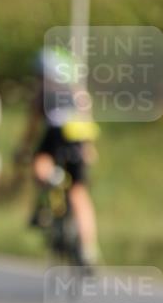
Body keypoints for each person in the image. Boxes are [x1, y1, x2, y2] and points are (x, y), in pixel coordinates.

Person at [14, 46, 100, 268]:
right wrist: (90, 147)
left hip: (57, 134)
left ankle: (51, 181)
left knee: (39, 165)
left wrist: (23, 149)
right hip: (79, 137)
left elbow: (32, 128)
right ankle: (89, 249)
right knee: (79, 194)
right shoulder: (77, 92)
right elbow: (87, 117)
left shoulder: (42, 93)